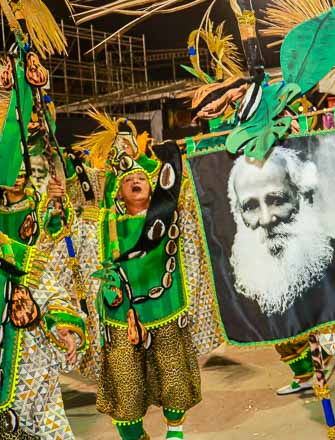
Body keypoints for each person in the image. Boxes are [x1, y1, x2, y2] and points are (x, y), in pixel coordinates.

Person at [52, 113, 222, 440]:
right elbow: (68, 224)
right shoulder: (102, 226)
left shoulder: (173, 218)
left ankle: (175, 433)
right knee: (125, 393)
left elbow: (195, 198)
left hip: (166, 312)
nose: (135, 181)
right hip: (119, 320)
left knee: (174, 380)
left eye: (141, 177)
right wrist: (61, 195)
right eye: (128, 179)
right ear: (119, 190)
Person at [223, 145, 335, 341]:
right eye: (250, 206)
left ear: (302, 196)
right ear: (238, 214)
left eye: (276, 200)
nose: (266, 219)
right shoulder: (237, 294)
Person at [0, 168, 87, 440]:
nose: (18, 177)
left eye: (22, 173)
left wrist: (63, 327)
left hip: (29, 352)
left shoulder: (25, 259)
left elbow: (50, 288)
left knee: (46, 422)